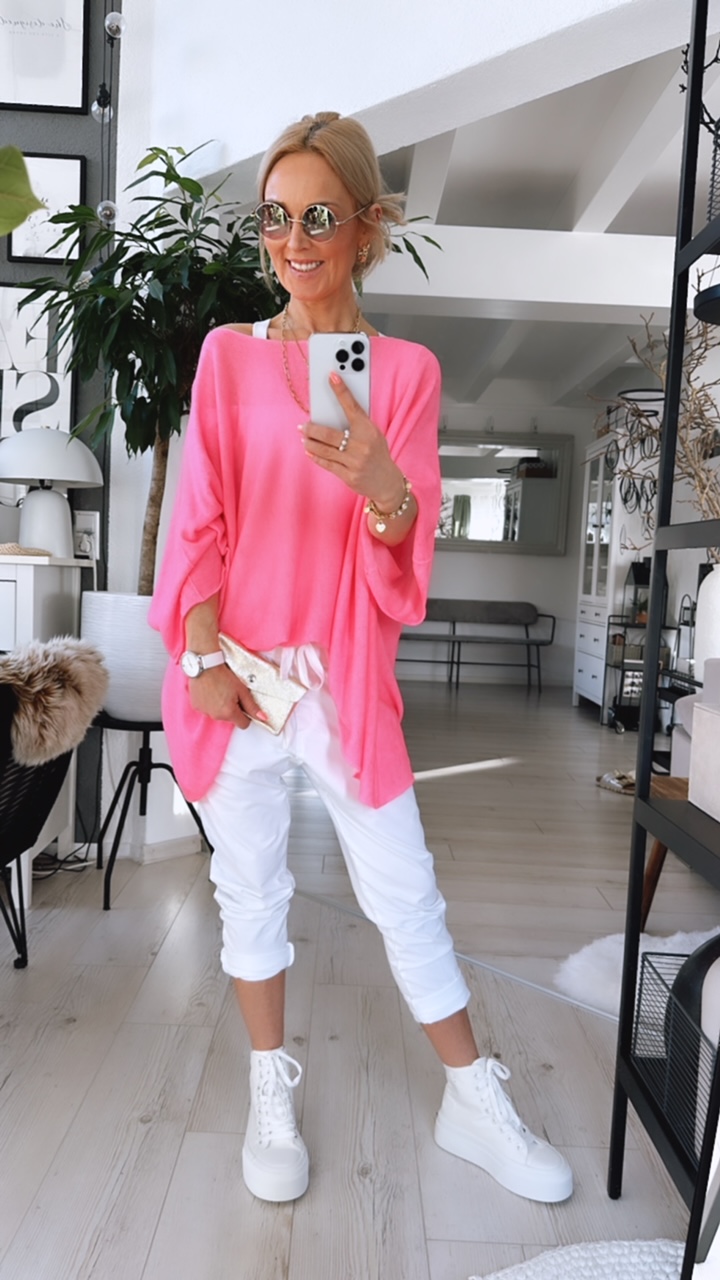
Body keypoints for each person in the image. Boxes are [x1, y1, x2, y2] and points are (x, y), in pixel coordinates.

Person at [149, 111, 573, 1208]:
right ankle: (270, 1088)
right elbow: (198, 522)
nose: (293, 242)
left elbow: (400, 547)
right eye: (275, 218)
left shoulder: (410, 373)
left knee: (405, 890)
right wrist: (199, 657)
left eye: (319, 218)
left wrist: (386, 484)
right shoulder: (228, 357)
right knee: (251, 889)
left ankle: (471, 1096)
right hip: (239, 674)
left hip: (340, 674)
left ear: (368, 227)